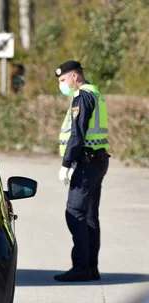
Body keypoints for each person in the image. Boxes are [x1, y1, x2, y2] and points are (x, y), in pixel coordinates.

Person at [53, 60, 110, 282]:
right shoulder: (95, 93)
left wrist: (67, 164)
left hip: (86, 163)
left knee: (74, 212)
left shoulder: (82, 96)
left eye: (63, 80)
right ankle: (91, 267)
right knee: (89, 216)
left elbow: (77, 133)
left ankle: (81, 267)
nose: (62, 86)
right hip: (97, 160)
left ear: (75, 77)